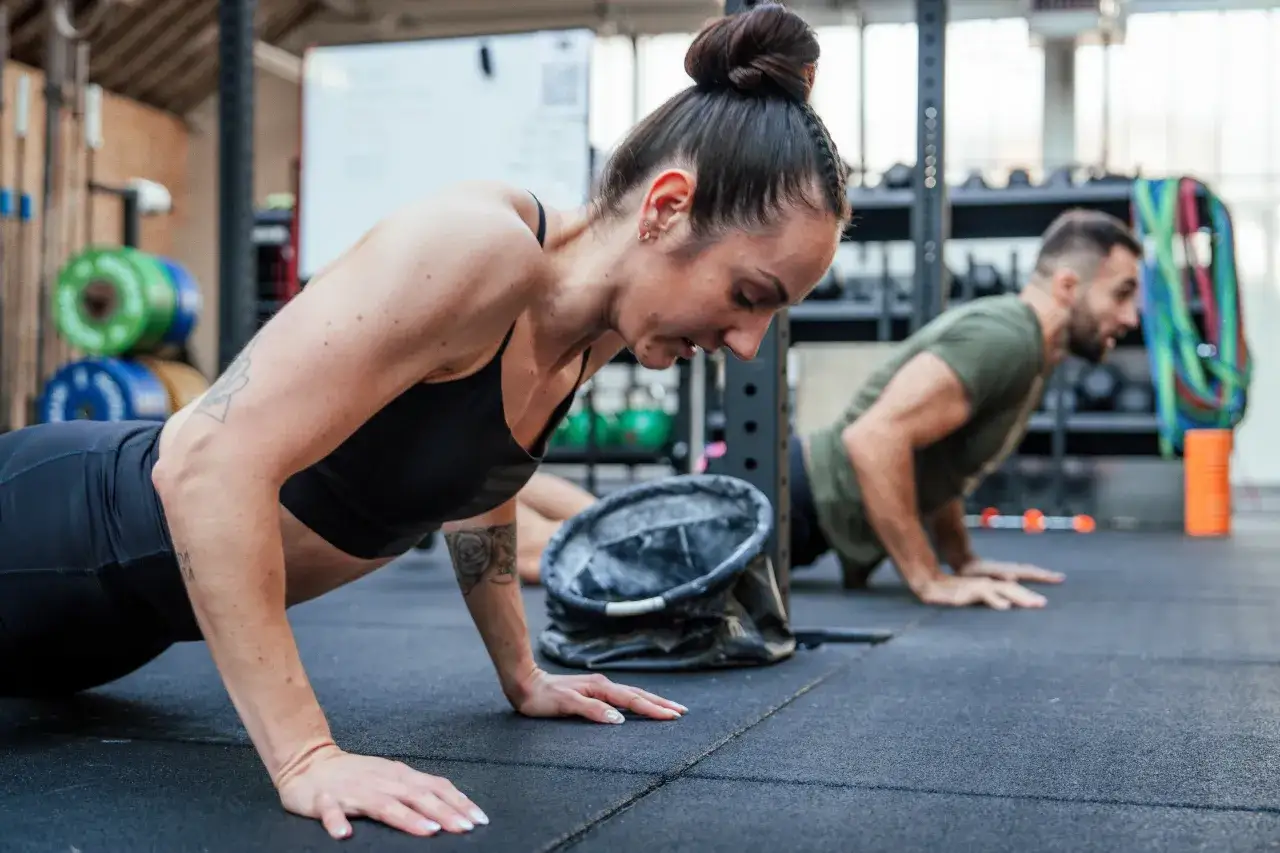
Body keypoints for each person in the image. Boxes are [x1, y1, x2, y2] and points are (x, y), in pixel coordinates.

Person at [0, 3, 848, 843]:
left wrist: (522, 673)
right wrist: (307, 755)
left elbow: (478, 483)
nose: (747, 344)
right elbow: (206, 465)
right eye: (749, 297)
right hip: (55, 535)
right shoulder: (479, 248)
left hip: (114, 632)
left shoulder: (591, 332)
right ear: (666, 207)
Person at [515, 209, 1142, 612]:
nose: (1129, 317)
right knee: (605, 562)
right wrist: (928, 579)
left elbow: (936, 458)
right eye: (1121, 294)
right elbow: (875, 439)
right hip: (799, 496)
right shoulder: (1007, 337)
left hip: (802, 496)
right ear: (1066, 285)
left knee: (615, 523)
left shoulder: (1026, 349)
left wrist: (964, 561)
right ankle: (467, 506)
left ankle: (496, 485)